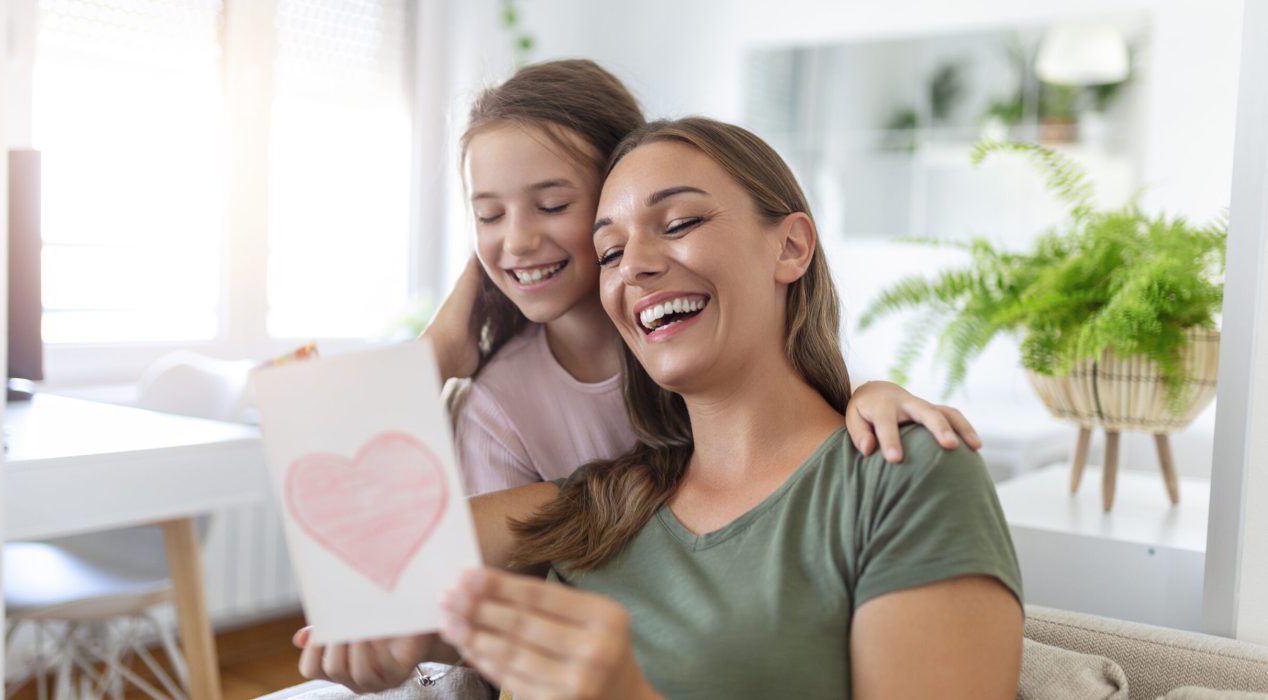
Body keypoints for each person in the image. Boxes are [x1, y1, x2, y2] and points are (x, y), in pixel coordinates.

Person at [299, 118, 1024, 699]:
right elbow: (342, 544)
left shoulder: (900, 473)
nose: (636, 265)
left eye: (677, 224)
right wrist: (450, 339)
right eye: (608, 252)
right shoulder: (599, 503)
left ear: (791, 246)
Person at [421, 59, 984, 497]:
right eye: (488, 215)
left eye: (551, 204)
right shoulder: (500, 406)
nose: (516, 241)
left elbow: (791, 438)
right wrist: (436, 353)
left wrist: (867, 398)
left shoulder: (709, 344)